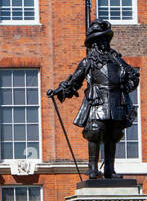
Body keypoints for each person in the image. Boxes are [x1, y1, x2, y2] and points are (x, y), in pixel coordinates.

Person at [47, 19, 140, 182]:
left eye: (105, 39)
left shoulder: (117, 60)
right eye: (100, 40)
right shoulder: (88, 62)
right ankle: (92, 169)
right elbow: (74, 81)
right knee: (95, 132)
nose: (104, 43)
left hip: (117, 102)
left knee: (114, 135)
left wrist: (126, 87)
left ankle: (110, 170)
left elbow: (133, 76)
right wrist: (59, 90)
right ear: (94, 43)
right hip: (98, 101)